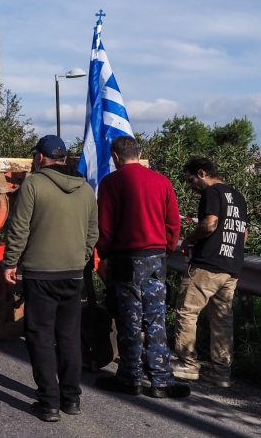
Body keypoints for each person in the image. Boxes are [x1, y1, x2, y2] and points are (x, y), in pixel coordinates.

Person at [1, 135, 98, 422]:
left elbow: (19, 228)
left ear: (40, 158)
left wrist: (10, 262)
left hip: (40, 272)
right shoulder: (85, 188)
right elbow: (93, 232)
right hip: (72, 273)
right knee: (68, 335)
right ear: (64, 158)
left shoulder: (34, 184)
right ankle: (71, 398)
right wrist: (80, 259)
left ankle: (49, 401)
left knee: (40, 336)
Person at [94, 136, 190, 399]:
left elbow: (105, 226)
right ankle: (161, 380)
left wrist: (103, 252)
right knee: (156, 318)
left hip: (126, 258)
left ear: (115, 156)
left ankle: (130, 377)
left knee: (129, 318)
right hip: (156, 258)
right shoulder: (161, 181)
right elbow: (173, 224)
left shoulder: (112, 182)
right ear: (139, 153)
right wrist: (165, 248)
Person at [171, 157, 248, 388]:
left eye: (191, 179)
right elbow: (243, 235)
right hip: (231, 266)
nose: (191, 185)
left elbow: (210, 224)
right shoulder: (238, 196)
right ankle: (221, 372)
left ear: (202, 173)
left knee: (187, 311)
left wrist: (188, 240)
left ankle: (187, 363)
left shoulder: (212, 193)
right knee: (222, 319)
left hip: (208, 264)